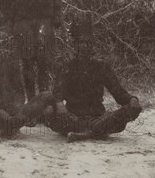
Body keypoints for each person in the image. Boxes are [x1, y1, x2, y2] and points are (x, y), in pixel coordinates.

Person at [47, 14, 143, 142]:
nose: (85, 46)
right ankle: (95, 133)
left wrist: (132, 100)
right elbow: (57, 95)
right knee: (49, 112)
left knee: (128, 111)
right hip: (73, 119)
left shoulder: (102, 67)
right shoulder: (67, 67)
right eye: (82, 42)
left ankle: (85, 134)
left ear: (92, 45)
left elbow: (119, 93)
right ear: (76, 45)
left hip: (97, 119)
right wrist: (58, 106)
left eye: (88, 43)